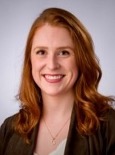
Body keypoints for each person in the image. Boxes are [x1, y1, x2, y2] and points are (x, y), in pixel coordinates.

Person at [0, 7, 115, 155]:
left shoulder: (109, 127)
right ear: (30, 61)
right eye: (41, 52)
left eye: (64, 52)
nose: (52, 65)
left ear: (81, 59)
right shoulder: (9, 129)